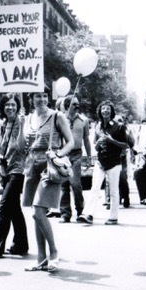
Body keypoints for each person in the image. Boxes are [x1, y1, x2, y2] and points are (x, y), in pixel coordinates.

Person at [23, 87, 74, 272]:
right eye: (38, 96)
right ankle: (40, 258)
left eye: (45, 96)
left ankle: (53, 253)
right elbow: (24, 144)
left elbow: (71, 142)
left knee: (38, 211)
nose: (42, 99)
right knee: (37, 214)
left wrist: (58, 153)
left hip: (49, 167)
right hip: (31, 166)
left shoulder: (57, 116)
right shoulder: (28, 119)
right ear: (31, 98)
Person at [0, 93, 29, 258]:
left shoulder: (22, 122)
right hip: (6, 170)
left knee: (4, 208)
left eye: (13, 105)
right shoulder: (3, 123)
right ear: (2, 107)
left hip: (18, 170)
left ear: (18, 107)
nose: (10, 108)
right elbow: (3, 148)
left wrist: (22, 125)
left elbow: (22, 146)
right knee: (14, 209)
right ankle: (21, 244)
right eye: (7, 105)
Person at [78, 100, 129, 225]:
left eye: (107, 109)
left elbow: (125, 145)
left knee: (113, 191)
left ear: (111, 111)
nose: (105, 111)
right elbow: (95, 147)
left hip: (114, 162)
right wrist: (98, 144)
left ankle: (113, 217)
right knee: (94, 188)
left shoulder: (119, 127)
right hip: (100, 162)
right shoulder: (98, 126)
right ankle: (88, 214)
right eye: (103, 109)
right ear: (100, 112)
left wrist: (112, 140)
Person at [59, 95, 91, 223]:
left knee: (75, 183)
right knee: (64, 184)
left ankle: (80, 211)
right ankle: (65, 213)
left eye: (78, 104)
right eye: (74, 104)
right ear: (67, 106)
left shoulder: (84, 120)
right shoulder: (61, 119)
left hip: (77, 154)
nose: (77, 106)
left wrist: (89, 157)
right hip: (63, 154)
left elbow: (87, 140)